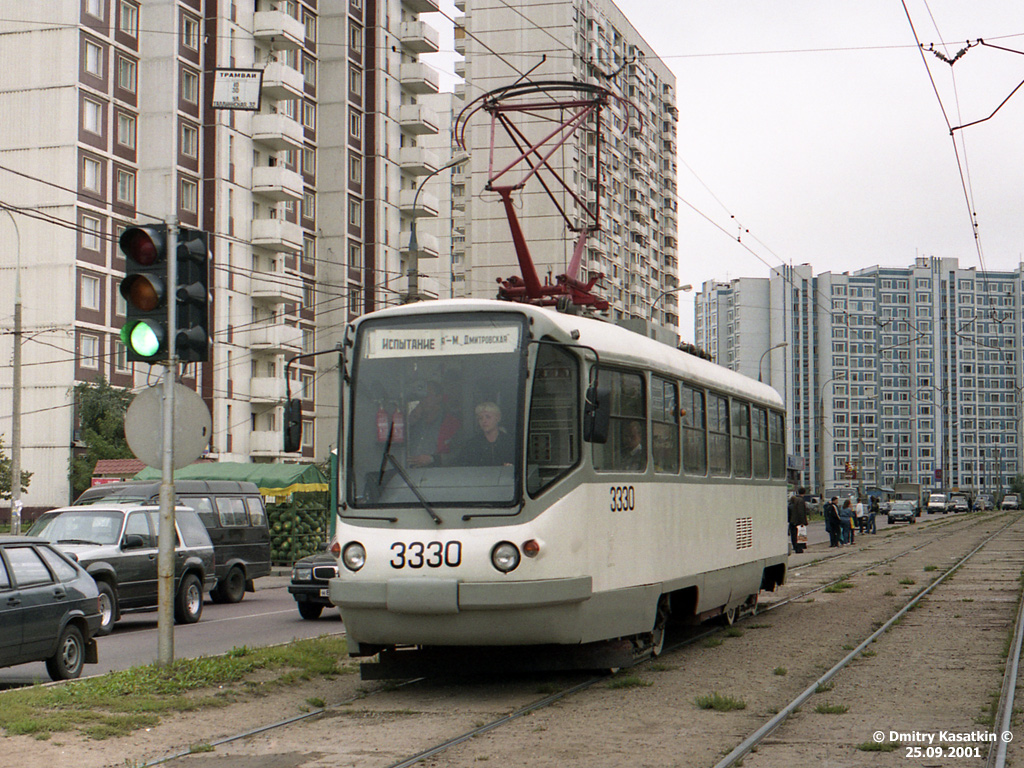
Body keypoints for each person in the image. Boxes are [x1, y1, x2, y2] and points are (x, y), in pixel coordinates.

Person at [406, 381, 461, 467]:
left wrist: (432, 459)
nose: (423, 399)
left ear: (439, 398)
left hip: (437, 474)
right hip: (407, 472)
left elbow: (458, 454)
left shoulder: (451, 423)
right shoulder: (414, 420)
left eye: (427, 395)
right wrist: (412, 420)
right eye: (421, 396)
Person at [461, 401, 515, 466]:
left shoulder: (510, 442)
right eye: (480, 418)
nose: (484, 421)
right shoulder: (472, 444)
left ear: (498, 418)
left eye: (488, 417)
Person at [788, 487, 809, 554]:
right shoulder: (801, 501)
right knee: (800, 534)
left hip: (792, 521)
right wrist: (804, 522)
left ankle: (795, 546)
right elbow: (801, 512)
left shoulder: (791, 502)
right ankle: (799, 548)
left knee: (793, 535)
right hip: (798, 521)